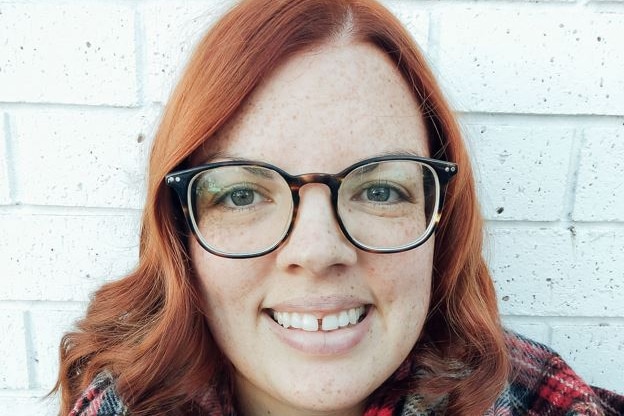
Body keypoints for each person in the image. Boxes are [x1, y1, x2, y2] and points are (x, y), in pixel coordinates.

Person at [54, 0, 624, 415]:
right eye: (242, 194)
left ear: (439, 227)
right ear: (181, 233)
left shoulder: (544, 405)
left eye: (379, 191)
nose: (319, 251)